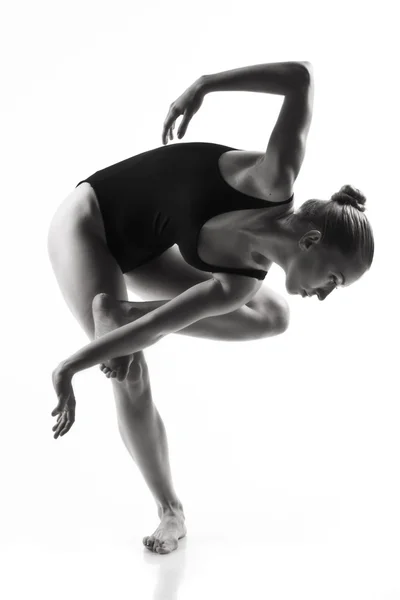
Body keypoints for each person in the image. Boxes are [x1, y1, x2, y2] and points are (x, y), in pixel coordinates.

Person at [47, 60, 374, 554]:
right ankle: (168, 507)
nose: (325, 295)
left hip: (150, 252)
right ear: (310, 239)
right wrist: (205, 85)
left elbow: (165, 321)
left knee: (254, 320)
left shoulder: (237, 285)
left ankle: (125, 324)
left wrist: (72, 364)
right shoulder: (271, 178)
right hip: (88, 222)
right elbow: (301, 77)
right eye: (333, 279)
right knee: (129, 366)